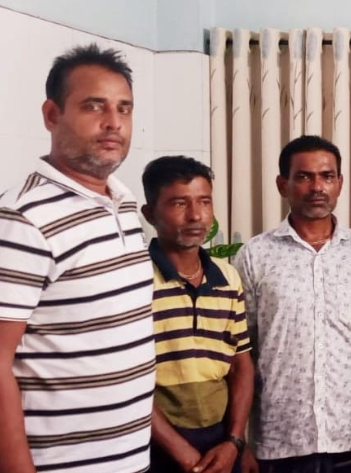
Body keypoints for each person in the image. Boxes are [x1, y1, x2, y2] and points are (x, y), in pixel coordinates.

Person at [0, 44, 155, 472]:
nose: (114, 122)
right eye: (94, 106)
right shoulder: (21, 219)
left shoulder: (123, 203)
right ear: (51, 114)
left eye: (124, 108)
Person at [233, 135, 351, 473]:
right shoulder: (255, 255)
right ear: (282, 184)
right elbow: (241, 352)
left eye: (327, 176)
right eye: (304, 176)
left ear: (340, 183)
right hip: (279, 441)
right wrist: (240, 438)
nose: (317, 187)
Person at [141, 156, 256, 473]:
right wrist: (185, 455)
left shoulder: (227, 277)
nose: (195, 215)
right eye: (179, 203)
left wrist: (234, 441)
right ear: (150, 213)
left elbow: (241, 365)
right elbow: (124, 379)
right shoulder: (135, 279)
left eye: (204, 202)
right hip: (154, 442)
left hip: (220, 441)